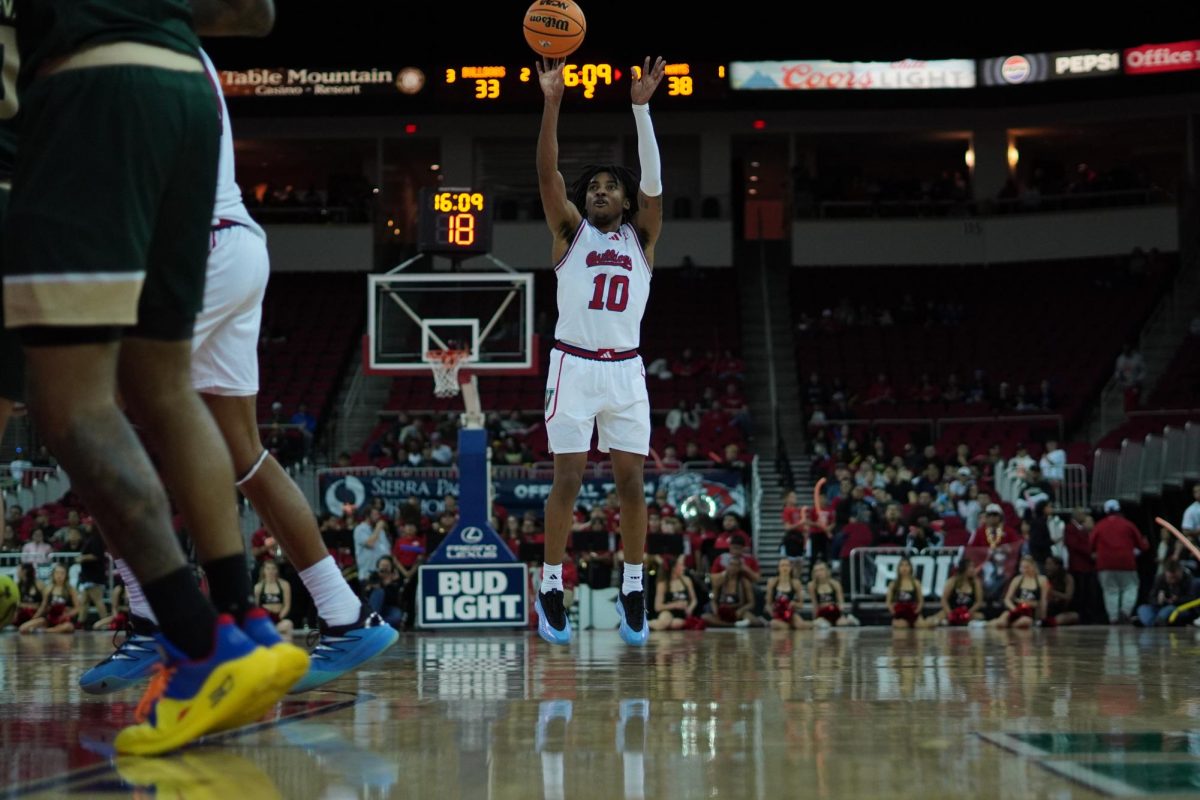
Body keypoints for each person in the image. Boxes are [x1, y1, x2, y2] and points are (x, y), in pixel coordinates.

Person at [2, 0, 303, 753]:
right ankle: (242, 623)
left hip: (91, 92)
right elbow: (254, 13)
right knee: (163, 386)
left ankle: (198, 645)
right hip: (186, 87)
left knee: (69, 402)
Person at [81, 45, 395, 697]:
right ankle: (345, 614)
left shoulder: (135, 46)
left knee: (84, 415)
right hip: (237, 244)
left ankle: (154, 617)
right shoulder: (175, 43)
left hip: (200, 249)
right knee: (244, 455)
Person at [533, 55, 666, 647]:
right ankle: (550, 583)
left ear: (625, 200)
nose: (602, 191)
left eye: (612, 186)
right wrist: (552, 102)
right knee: (568, 480)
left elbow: (656, 185)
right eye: (595, 187)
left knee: (632, 484)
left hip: (626, 370)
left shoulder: (643, 239)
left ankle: (633, 583)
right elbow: (547, 176)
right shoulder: (569, 233)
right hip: (573, 365)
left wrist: (641, 109)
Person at [920, 557, 983, 627]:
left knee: (980, 616)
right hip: (951, 610)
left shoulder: (976, 583)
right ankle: (945, 622)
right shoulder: (952, 581)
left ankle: (952, 622)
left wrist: (968, 613)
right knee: (932, 620)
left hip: (968, 612)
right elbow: (944, 600)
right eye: (971, 567)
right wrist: (950, 614)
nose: (973, 569)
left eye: (973, 566)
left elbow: (978, 602)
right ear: (963, 568)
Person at [1136, 558, 1198, 627]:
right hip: (1159, 607)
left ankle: (1153, 622)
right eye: (1170, 578)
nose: (1172, 580)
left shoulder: (1190, 581)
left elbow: (1192, 600)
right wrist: (1158, 600)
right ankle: (1154, 622)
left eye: (1175, 577)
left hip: (1178, 607)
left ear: (1180, 572)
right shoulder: (1160, 579)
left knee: (1166, 612)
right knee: (1142, 608)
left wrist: (1176, 600)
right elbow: (1151, 597)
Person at [19, 563, 79, 634]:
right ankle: (50, 630)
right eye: (57, 573)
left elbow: (77, 608)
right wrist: (34, 618)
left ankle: (46, 631)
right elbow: (43, 607)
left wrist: (67, 614)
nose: (59, 576)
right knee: (23, 628)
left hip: (64, 620)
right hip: (49, 619)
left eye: (62, 573)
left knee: (68, 626)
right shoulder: (48, 589)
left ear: (66, 575)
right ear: (53, 575)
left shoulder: (70, 590)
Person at [990, 555, 1049, 628]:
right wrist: (1015, 609)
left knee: (1025, 621)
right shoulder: (1017, 580)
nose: (1024, 570)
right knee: (1002, 621)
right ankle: (985, 624)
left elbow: (1044, 601)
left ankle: (1010, 626)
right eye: (1022, 567)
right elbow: (1007, 599)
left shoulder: (1042, 580)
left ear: (1033, 566)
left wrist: (1043, 618)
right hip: (1016, 609)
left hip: (1031, 612)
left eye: (1027, 567)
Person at [649, 555, 696, 631]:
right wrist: (675, 605)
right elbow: (657, 607)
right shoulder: (662, 584)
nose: (683, 568)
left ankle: (645, 625)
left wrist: (690, 608)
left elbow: (694, 600)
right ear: (673, 569)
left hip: (683, 613)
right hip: (667, 611)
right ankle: (642, 625)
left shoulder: (686, 580)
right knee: (664, 622)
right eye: (680, 566)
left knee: (675, 624)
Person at [808, 561, 859, 628]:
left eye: (821, 570)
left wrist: (842, 614)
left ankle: (849, 619)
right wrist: (815, 618)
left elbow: (841, 602)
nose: (819, 573)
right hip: (822, 613)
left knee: (841, 623)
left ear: (826, 571)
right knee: (822, 625)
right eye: (816, 571)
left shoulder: (835, 584)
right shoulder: (812, 586)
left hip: (834, 611)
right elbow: (814, 604)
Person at [765, 558, 810, 631]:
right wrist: (773, 614)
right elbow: (768, 604)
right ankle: (789, 626)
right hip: (777, 613)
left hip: (790, 613)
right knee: (774, 624)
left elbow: (801, 604)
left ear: (790, 568)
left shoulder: (796, 583)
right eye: (782, 565)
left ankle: (815, 623)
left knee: (800, 625)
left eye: (787, 565)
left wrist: (794, 604)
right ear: (778, 568)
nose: (785, 568)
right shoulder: (772, 582)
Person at [253, 560, 293, 636]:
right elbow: (256, 607)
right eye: (268, 568)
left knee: (288, 624)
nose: (270, 571)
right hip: (265, 619)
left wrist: (278, 618)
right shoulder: (258, 587)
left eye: (273, 568)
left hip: (279, 617)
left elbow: (287, 606)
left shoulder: (284, 585)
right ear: (263, 570)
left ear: (277, 570)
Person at [886, 556, 924, 628]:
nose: (904, 568)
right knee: (901, 625)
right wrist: (894, 612)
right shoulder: (893, 584)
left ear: (910, 568)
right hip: (900, 614)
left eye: (906, 565)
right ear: (898, 568)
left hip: (913, 612)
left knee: (922, 625)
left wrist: (916, 611)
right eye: (902, 565)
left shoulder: (916, 583)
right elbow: (888, 602)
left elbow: (921, 601)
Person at [1042, 556, 1079, 627]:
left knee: (1074, 616)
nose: (1047, 567)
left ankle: (1050, 621)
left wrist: (1053, 592)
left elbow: (1068, 597)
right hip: (1048, 608)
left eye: (1050, 564)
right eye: (1046, 564)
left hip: (1063, 609)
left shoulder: (1067, 577)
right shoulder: (1044, 578)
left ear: (1057, 566)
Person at [13, 563, 44, 628]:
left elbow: (44, 604)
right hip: (22, 616)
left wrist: (36, 614)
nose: (17, 572)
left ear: (24, 571)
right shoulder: (17, 585)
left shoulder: (39, 584)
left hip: (36, 616)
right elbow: (16, 604)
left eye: (18, 570)